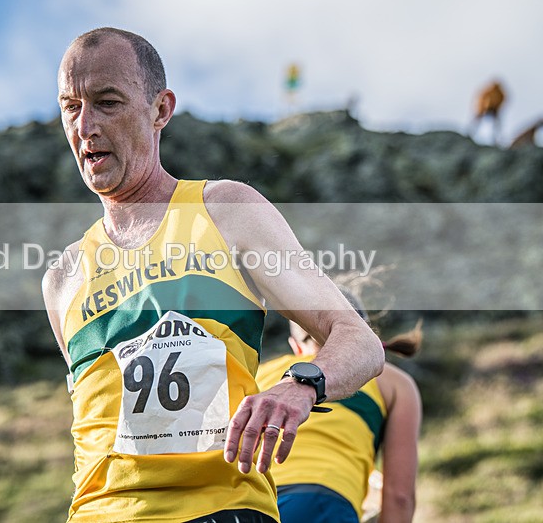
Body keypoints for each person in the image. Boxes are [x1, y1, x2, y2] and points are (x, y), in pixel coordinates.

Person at [41, 27, 384, 523]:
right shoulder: (62, 278)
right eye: (70, 106)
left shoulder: (225, 210)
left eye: (108, 102)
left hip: (219, 508)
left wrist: (300, 386)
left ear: (160, 109)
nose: (85, 125)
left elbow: (359, 341)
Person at [256, 287, 422, 523]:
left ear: (296, 346)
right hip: (324, 502)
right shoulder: (393, 383)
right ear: (366, 336)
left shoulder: (260, 374)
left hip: (254, 501)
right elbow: (399, 497)